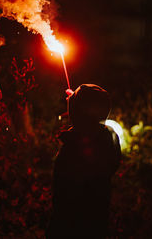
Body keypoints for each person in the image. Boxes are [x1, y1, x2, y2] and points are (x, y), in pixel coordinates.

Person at [46, 84, 121, 238]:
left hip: (70, 223)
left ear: (77, 114)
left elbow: (65, 192)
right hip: (97, 220)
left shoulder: (74, 145)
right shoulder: (107, 138)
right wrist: (75, 101)